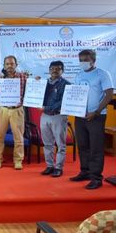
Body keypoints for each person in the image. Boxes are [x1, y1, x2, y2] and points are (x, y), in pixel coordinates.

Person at [70, 49, 113, 190]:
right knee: (83, 146)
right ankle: (85, 172)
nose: (83, 62)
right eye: (81, 60)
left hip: (97, 116)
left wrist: (96, 111)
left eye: (86, 60)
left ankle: (96, 178)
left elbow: (108, 94)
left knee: (95, 147)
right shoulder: (79, 75)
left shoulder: (102, 74)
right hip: (80, 115)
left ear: (93, 60)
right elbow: (76, 94)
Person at [0, 55, 28, 170]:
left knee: (18, 137)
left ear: (16, 65)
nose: (9, 66)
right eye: (7, 64)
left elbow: (33, 88)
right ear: (4, 65)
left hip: (17, 109)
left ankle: (18, 160)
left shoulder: (23, 77)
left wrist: (36, 80)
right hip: (2, 109)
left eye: (12, 64)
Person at [39, 61, 70, 178]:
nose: (54, 71)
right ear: (49, 69)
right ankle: (49, 166)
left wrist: (47, 107)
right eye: (52, 68)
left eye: (58, 68)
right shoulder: (43, 83)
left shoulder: (67, 85)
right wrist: (35, 83)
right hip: (45, 116)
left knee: (60, 144)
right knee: (47, 143)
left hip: (59, 116)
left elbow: (63, 102)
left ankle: (58, 167)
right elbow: (36, 94)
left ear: (62, 70)